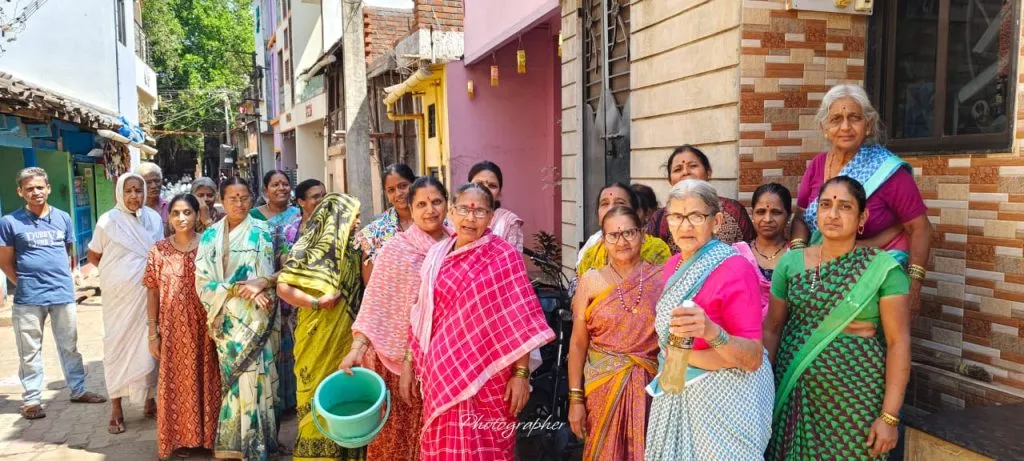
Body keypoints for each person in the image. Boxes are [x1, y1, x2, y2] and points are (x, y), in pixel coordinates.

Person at [404, 183, 554, 460]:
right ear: (451, 211)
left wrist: (521, 375)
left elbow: (521, 321)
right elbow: (421, 314)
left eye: (480, 211)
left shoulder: (504, 257)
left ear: (491, 216)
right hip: (442, 374)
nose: (470, 218)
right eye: (463, 209)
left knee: (488, 447)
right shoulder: (437, 255)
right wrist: (410, 363)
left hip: (490, 376)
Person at [764, 176, 911, 460]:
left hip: (854, 401)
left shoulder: (882, 269)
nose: (832, 214)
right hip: (792, 390)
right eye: (825, 205)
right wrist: (762, 393)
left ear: (862, 217)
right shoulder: (791, 262)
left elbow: (898, 343)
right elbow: (772, 329)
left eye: (844, 206)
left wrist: (889, 417)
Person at [644, 179, 773, 460]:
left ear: (716, 221)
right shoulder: (671, 266)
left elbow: (752, 358)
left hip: (724, 403)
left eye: (696, 216)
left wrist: (712, 332)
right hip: (677, 392)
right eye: (677, 216)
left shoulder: (735, 268)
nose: (685, 225)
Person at [339, 176, 450, 460]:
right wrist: (356, 350)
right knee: (396, 442)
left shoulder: (457, 247)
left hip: (445, 364)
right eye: (422, 204)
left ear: (447, 205)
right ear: (410, 209)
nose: (430, 210)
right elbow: (375, 303)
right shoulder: (395, 250)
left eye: (436, 202)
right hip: (398, 362)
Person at [791, 84, 931, 306]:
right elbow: (801, 218)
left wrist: (914, 285)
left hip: (876, 276)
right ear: (825, 127)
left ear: (868, 124)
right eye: (836, 119)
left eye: (854, 118)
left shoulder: (887, 171)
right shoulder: (818, 165)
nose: (845, 127)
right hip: (821, 268)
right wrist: (798, 255)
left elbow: (919, 227)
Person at [0, 168, 106, 421]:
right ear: (20, 192)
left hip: (62, 294)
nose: (35, 192)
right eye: (29, 189)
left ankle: (78, 390)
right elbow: (5, 262)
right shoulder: (10, 222)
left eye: (39, 187)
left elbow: (68, 253)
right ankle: (32, 400)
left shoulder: (63, 218)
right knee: (30, 350)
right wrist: (22, 282)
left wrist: (68, 279)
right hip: (28, 298)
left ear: (47, 188)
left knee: (69, 345)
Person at [274, 192, 365, 461]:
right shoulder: (308, 249)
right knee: (315, 400)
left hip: (345, 338)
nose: (358, 222)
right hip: (314, 338)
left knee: (345, 399)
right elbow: (283, 288)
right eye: (353, 217)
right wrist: (317, 303)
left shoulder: (356, 250)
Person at [567, 205, 662, 460]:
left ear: (642, 235)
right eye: (613, 235)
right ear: (604, 240)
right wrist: (575, 398)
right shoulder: (590, 281)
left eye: (629, 233)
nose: (622, 241)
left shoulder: (661, 277)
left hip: (650, 386)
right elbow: (577, 344)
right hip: (601, 387)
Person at [195, 177, 280, 460]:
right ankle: (233, 444)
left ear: (251, 198)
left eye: (244, 197)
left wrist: (258, 286)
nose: (240, 203)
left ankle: (257, 445)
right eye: (233, 198)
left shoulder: (262, 231)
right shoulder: (209, 236)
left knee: (257, 380)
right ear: (222, 200)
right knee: (233, 383)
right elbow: (203, 281)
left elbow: (265, 276)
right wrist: (236, 289)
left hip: (255, 320)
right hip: (227, 322)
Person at [143, 194, 220, 458]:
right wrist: (153, 332)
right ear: (168, 216)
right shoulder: (159, 250)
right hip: (173, 329)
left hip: (207, 325)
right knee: (178, 382)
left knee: (210, 378)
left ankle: (210, 437)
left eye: (187, 212)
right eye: (175, 213)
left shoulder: (209, 245)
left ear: (197, 215)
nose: (181, 218)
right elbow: (152, 291)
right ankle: (182, 439)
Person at [88, 173, 162, 434]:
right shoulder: (108, 221)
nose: (134, 196)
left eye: (138, 190)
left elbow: (157, 254)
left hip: (148, 296)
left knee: (149, 346)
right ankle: (116, 407)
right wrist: (117, 273)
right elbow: (94, 255)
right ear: (120, 193)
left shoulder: (153, 218)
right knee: (117, 346)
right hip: (118, 299)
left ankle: (149, 402)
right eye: (129, 191)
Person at [275, 178, 327, 418]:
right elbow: (285, 267)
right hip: (298, 308)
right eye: (315, 197)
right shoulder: (290, 230)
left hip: (331, 308)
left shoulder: (338, 227)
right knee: (304, 363)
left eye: (324, 195)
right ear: (301, 202)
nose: (321, 201)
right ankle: (307, 416)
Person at [645, 145, 755, 251]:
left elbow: (750, 252)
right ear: (670, 180)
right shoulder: (660, 218)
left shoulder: (734, 211)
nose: (685, 172)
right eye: (678, 169)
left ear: (708, 172)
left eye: (693, 166)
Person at [577, 183, 671, 276]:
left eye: (620, 203)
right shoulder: (590, 256)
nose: (611, 208)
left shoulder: (656, 250)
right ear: (598, 217)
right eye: (605, 204)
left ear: (636, 212)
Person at [732, 183, 793, 318]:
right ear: (752, 214)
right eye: (761, 212)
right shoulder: (736, 254)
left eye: (776, 212)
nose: (767, 219)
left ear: (788, 216)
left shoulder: (797, 255)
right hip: (744, 335)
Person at [355, 163, 416, 283]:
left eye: (403, 186)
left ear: (414, 185)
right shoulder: (372, 233)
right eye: (391, 190)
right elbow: (370, 284)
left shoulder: (434, 222)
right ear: (387, 194)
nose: (398, 193)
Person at [469, 161, 525, 252]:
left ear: (499, 194)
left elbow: (513, 261)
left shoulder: (509, 223)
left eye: (492, 186)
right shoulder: (456, 217)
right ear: (467, 188)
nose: (485, 189)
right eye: (479, 184)